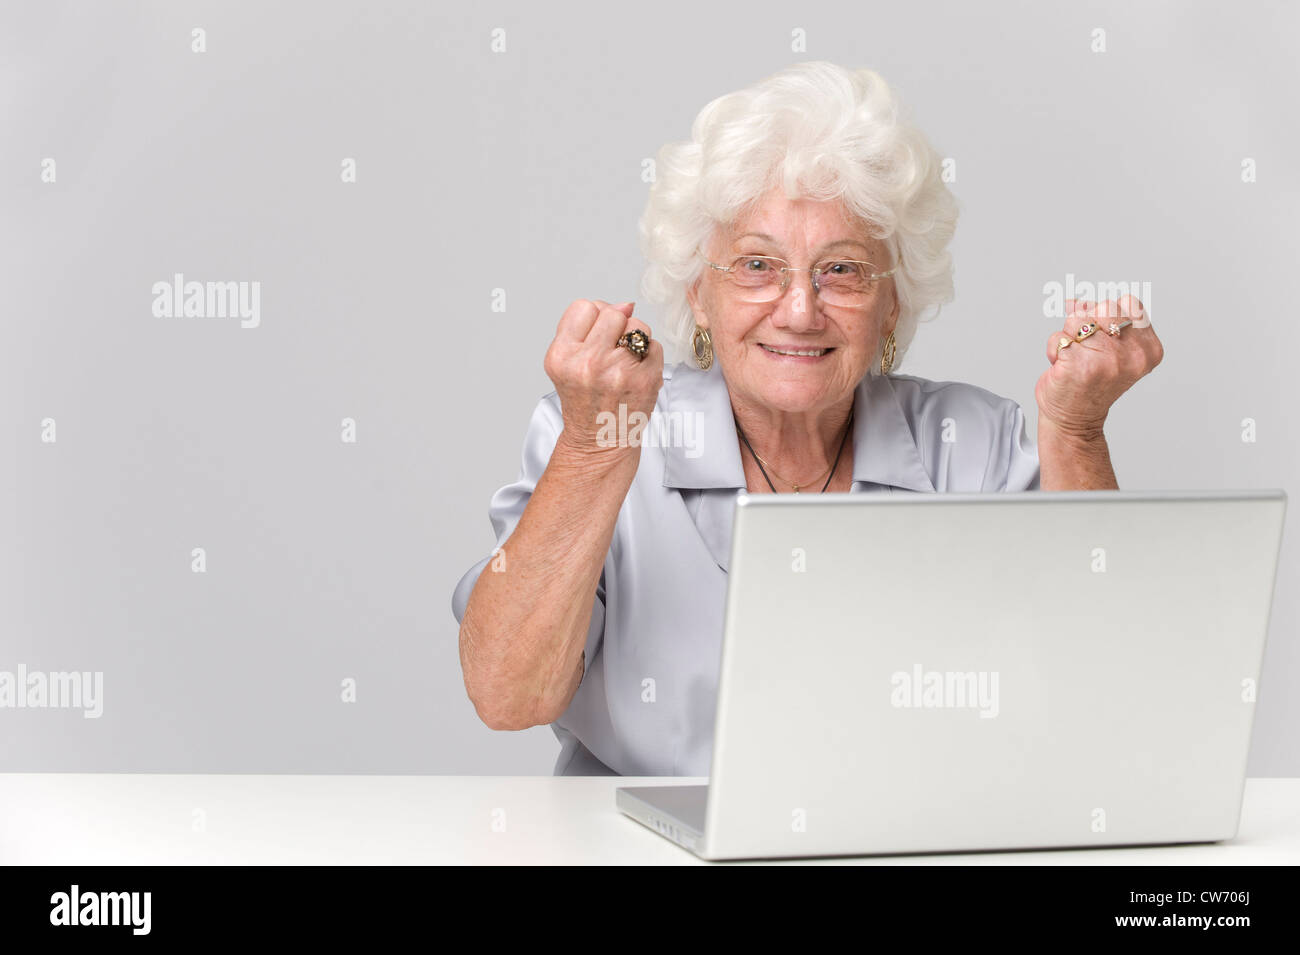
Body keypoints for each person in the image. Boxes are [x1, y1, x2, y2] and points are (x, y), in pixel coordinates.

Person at [451, 62, 1163, 775]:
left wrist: (1075, 434)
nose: (799, 310)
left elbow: (1107, 686)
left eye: (843, 270)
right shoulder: (600, 433)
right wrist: (590, 453)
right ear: (700, 294)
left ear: (893, 302)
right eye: (757, 265)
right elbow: (507, 696)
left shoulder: (972, 447)